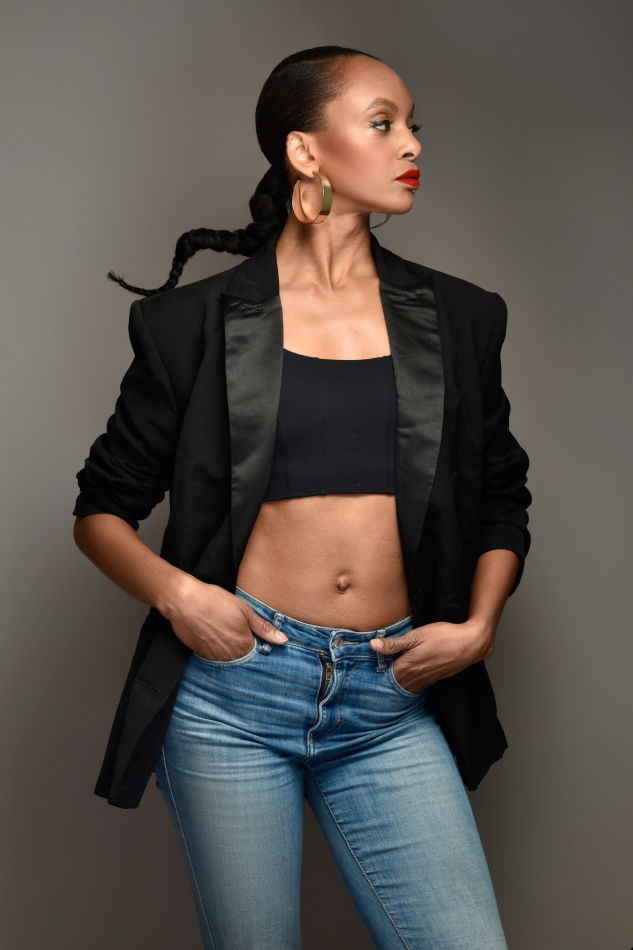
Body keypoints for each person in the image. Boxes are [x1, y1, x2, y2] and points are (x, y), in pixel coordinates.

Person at [73, 45, 531, 950]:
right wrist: (182, 598)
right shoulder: (191, 325)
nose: (410, 145)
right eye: (382, 123)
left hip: (390, 697)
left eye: (411, 127)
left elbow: (499, 494)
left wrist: (479, 626)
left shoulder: (462, 316)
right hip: (233, 698)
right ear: (304, 152)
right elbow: (100, 509)